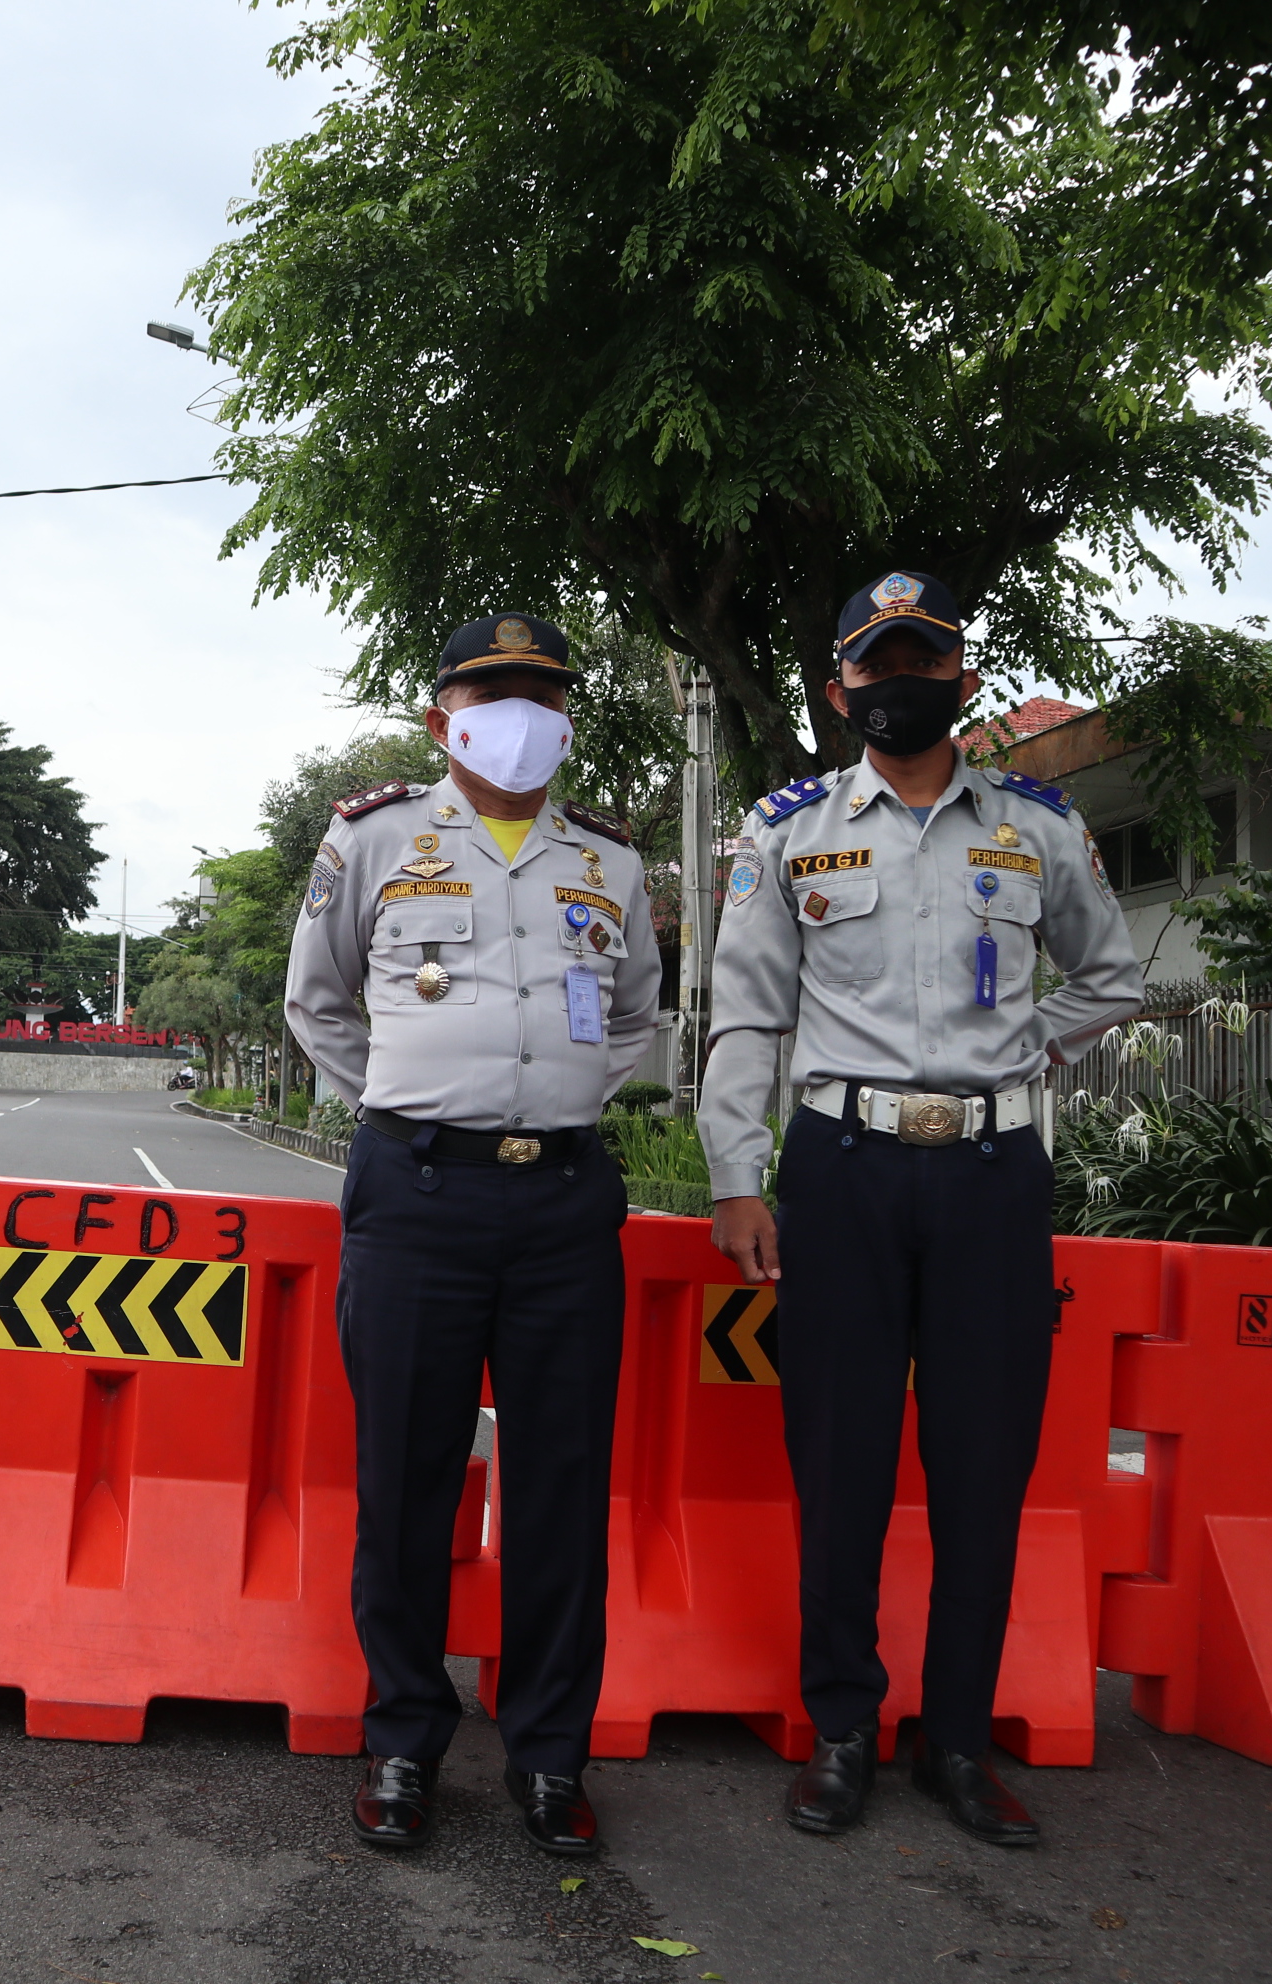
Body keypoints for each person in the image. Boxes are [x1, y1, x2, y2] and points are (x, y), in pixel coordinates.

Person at [697, 571, 1141, 1847]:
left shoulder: (1037, 828)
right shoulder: (787, 834)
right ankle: (842, 1728)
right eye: (876, 663)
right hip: (843, 1168)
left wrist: (1026, 1048)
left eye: (925, 658)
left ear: (963, 676)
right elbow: (749, 1016)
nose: (901, 680)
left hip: (996, 1180)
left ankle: (958, 1740)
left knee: (983, 1467)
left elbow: (1109, 973)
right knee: (839, 1462)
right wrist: (737, 1172)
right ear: (839, 689)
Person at [285, 611, 662, 1857]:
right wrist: (410, 1109)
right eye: (492, 690)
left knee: (561, 1486)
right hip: (418, 1197)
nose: (519, 711)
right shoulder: (376, 834)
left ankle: (552, 1757)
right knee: (405, 1480)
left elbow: (637, 1019)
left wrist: (549, 1105)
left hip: (562, 1202)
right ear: (442, 714)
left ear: (565, 716)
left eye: (541, 691)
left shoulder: (607, 861)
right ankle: (402, 1741)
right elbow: (320, 1000)